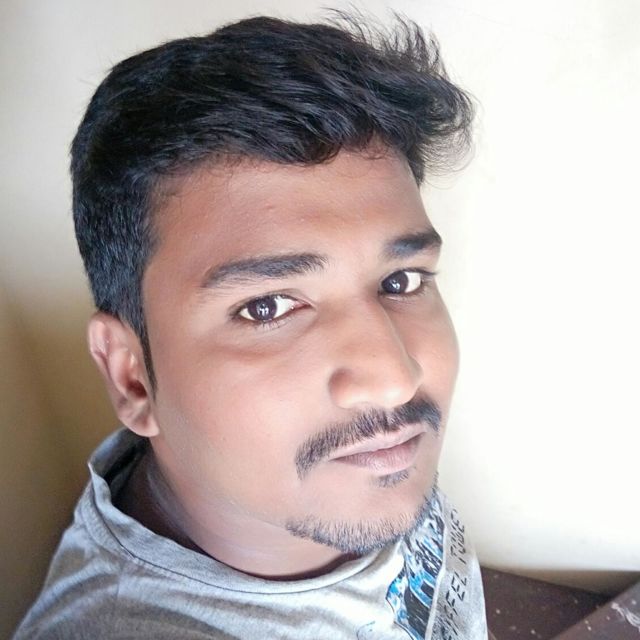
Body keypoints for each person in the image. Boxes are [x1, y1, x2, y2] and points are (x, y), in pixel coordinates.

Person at [14, 12, 486, 640]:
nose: (395, 378)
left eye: (400, 281)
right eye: (267, 307)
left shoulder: (354, 452)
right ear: (132, 378)